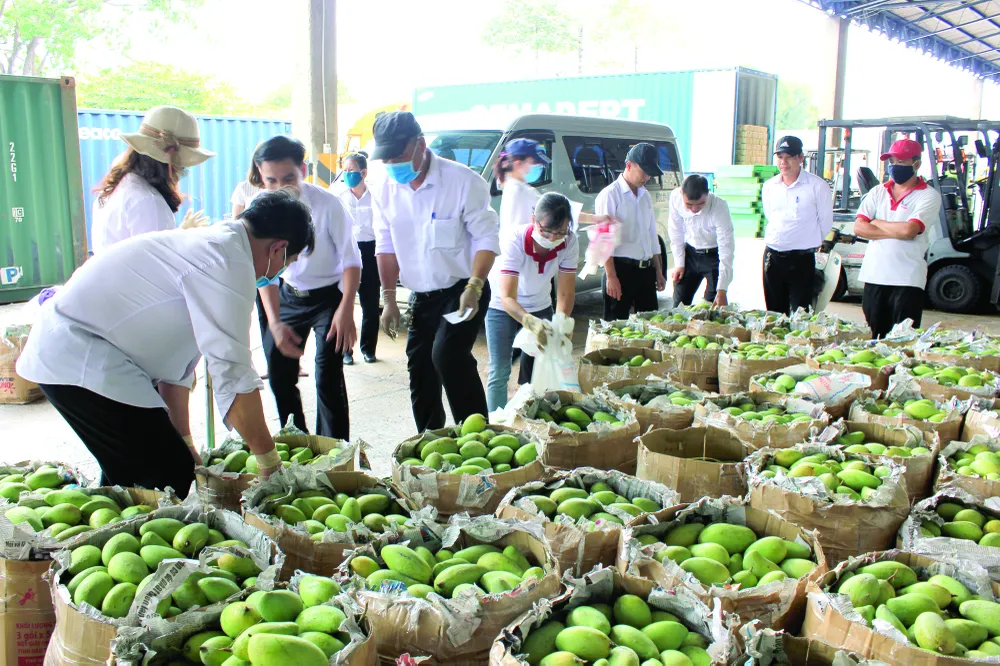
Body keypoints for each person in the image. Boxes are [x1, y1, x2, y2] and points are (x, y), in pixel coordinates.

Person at [15, 190, 314, 491]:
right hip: (79, 355)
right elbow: (234, 374)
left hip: (86, 353)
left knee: (142, 471)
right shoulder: (226, 262)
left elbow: (180, 367)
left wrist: (185, 441)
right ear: (278, 249)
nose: (280, 273)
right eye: (289, 262)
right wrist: (269, 461)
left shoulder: (217, 248)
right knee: (166, 478)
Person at [371, 111, 499, 432]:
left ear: (420, 144)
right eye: (385, 158)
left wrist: (475, 284)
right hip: (423, 297)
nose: (391, 165)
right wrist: (388, 298)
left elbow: (486, 238)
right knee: (419, 364)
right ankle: (430, 438)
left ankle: (478, 435)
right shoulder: (384, 188)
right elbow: (385, 245)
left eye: (397, 156)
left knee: (448, 356)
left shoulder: (462, 182)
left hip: (465, 288)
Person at [255, 136, 361, 439]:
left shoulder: (329, 205)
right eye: (271, 180)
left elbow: (352, 261)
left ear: (303, 168)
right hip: (288, 295)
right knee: (279, 373)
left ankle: (335, 449)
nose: (280, 188)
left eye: (288, 178)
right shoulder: (260, 207)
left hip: (329, 297)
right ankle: (297, 442)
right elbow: (264, 273)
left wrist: (346, 309)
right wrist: (274, 322)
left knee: (328, 376)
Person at [486, 192, 577, 411]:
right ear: (533, 218)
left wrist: (562, 321)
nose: (553, 237)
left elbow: (565, 292)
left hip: (540, 304)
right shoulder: (514, 240)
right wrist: (529, 322)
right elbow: (508, 296)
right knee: (499, 370)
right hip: (501, 306)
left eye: (560, 232)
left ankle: (527, 418)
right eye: (546, 230)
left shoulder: (570, 241)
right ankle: (495, 424)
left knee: (536, 369)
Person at [91, 105, 214, 253]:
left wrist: (180, 233)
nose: (181, 169)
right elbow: (160, 267)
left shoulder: (120, 186)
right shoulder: (147, 199)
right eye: (181, 162)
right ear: (169, 162)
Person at [854, 138, 942, 338]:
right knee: (874, 336)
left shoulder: (928, 196)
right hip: (874, 276)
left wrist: (876, 221)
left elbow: (909, 231)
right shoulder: (878, 192)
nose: (894, 167)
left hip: (906, 280)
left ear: (916, 164)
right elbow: (859, 227)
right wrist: (894, 230)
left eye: (901, 163)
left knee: (903, 340)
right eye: (892, 162)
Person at [761, 135, 834, 314]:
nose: (783, 162)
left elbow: (825, 223)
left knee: (801, 313)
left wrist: (804, 241)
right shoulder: (770, 186)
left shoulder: (817, 186)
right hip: (773, 258)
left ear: (801, 158)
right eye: (780, 157)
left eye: (789, 157)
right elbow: (770, 215)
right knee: (774, 314)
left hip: (801, 260)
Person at [598, 143, 667, 320]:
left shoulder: (645, 196)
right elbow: (604, 241)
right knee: (615, 327)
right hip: (620, 271)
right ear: (629, 165)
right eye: (644, 172)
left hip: (645, 271)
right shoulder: (610, 195)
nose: (647, 177)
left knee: (650, 325)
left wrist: (658, 270)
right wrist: (611, 277)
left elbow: (652, 235)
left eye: (650, 173)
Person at [331, 152, 380, 365]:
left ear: (364, 172)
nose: (347, 174)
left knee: (370, 305)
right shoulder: (337, 195)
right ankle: (345, 350)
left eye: (351, 170)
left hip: (370, 252)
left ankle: (369, 349)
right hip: (347, 252)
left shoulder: (376, 195)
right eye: (345, 170)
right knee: (345, 302)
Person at [668, 174, 735, 307]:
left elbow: (726, 247)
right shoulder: (675, 197)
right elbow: (676, 231)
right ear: (682, 193)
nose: (694, 209)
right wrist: (679, 263)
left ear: (708, 194)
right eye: (689, 205)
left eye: (700, 204)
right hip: (690, 254)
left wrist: (722, 288)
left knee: (712, 307)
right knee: (679, 304)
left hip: (713, 256)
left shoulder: (719, 206)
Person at [494, 138, 550, 234]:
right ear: (519, 164)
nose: (539, 166)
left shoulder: (511, 186)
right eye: (534, 162)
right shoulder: (521, 190)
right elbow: (555, 211)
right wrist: (585, 217)